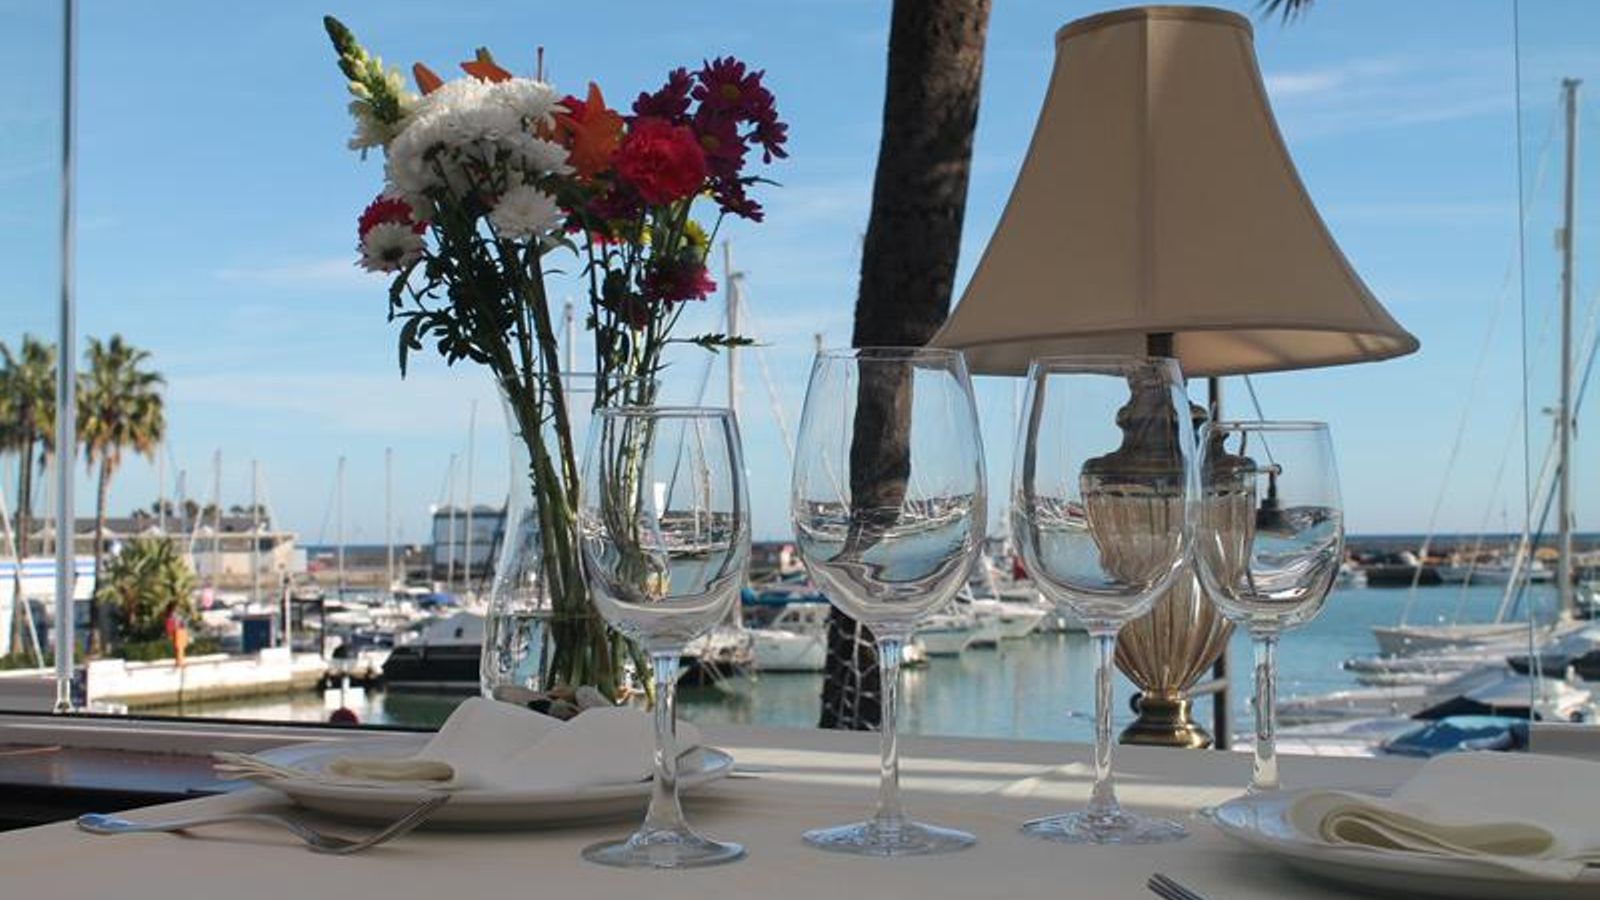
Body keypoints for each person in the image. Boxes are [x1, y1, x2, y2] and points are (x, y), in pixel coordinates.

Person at [163, 603, 189, 668]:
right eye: (176, 608)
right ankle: (180, 662)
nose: (177, 609)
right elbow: (172, 626)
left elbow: (180, 624)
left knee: (179, 648)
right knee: (179, 648)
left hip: (179, 634)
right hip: (177, 634)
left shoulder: (174, 616)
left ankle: (180, 662)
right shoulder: (171, 617)